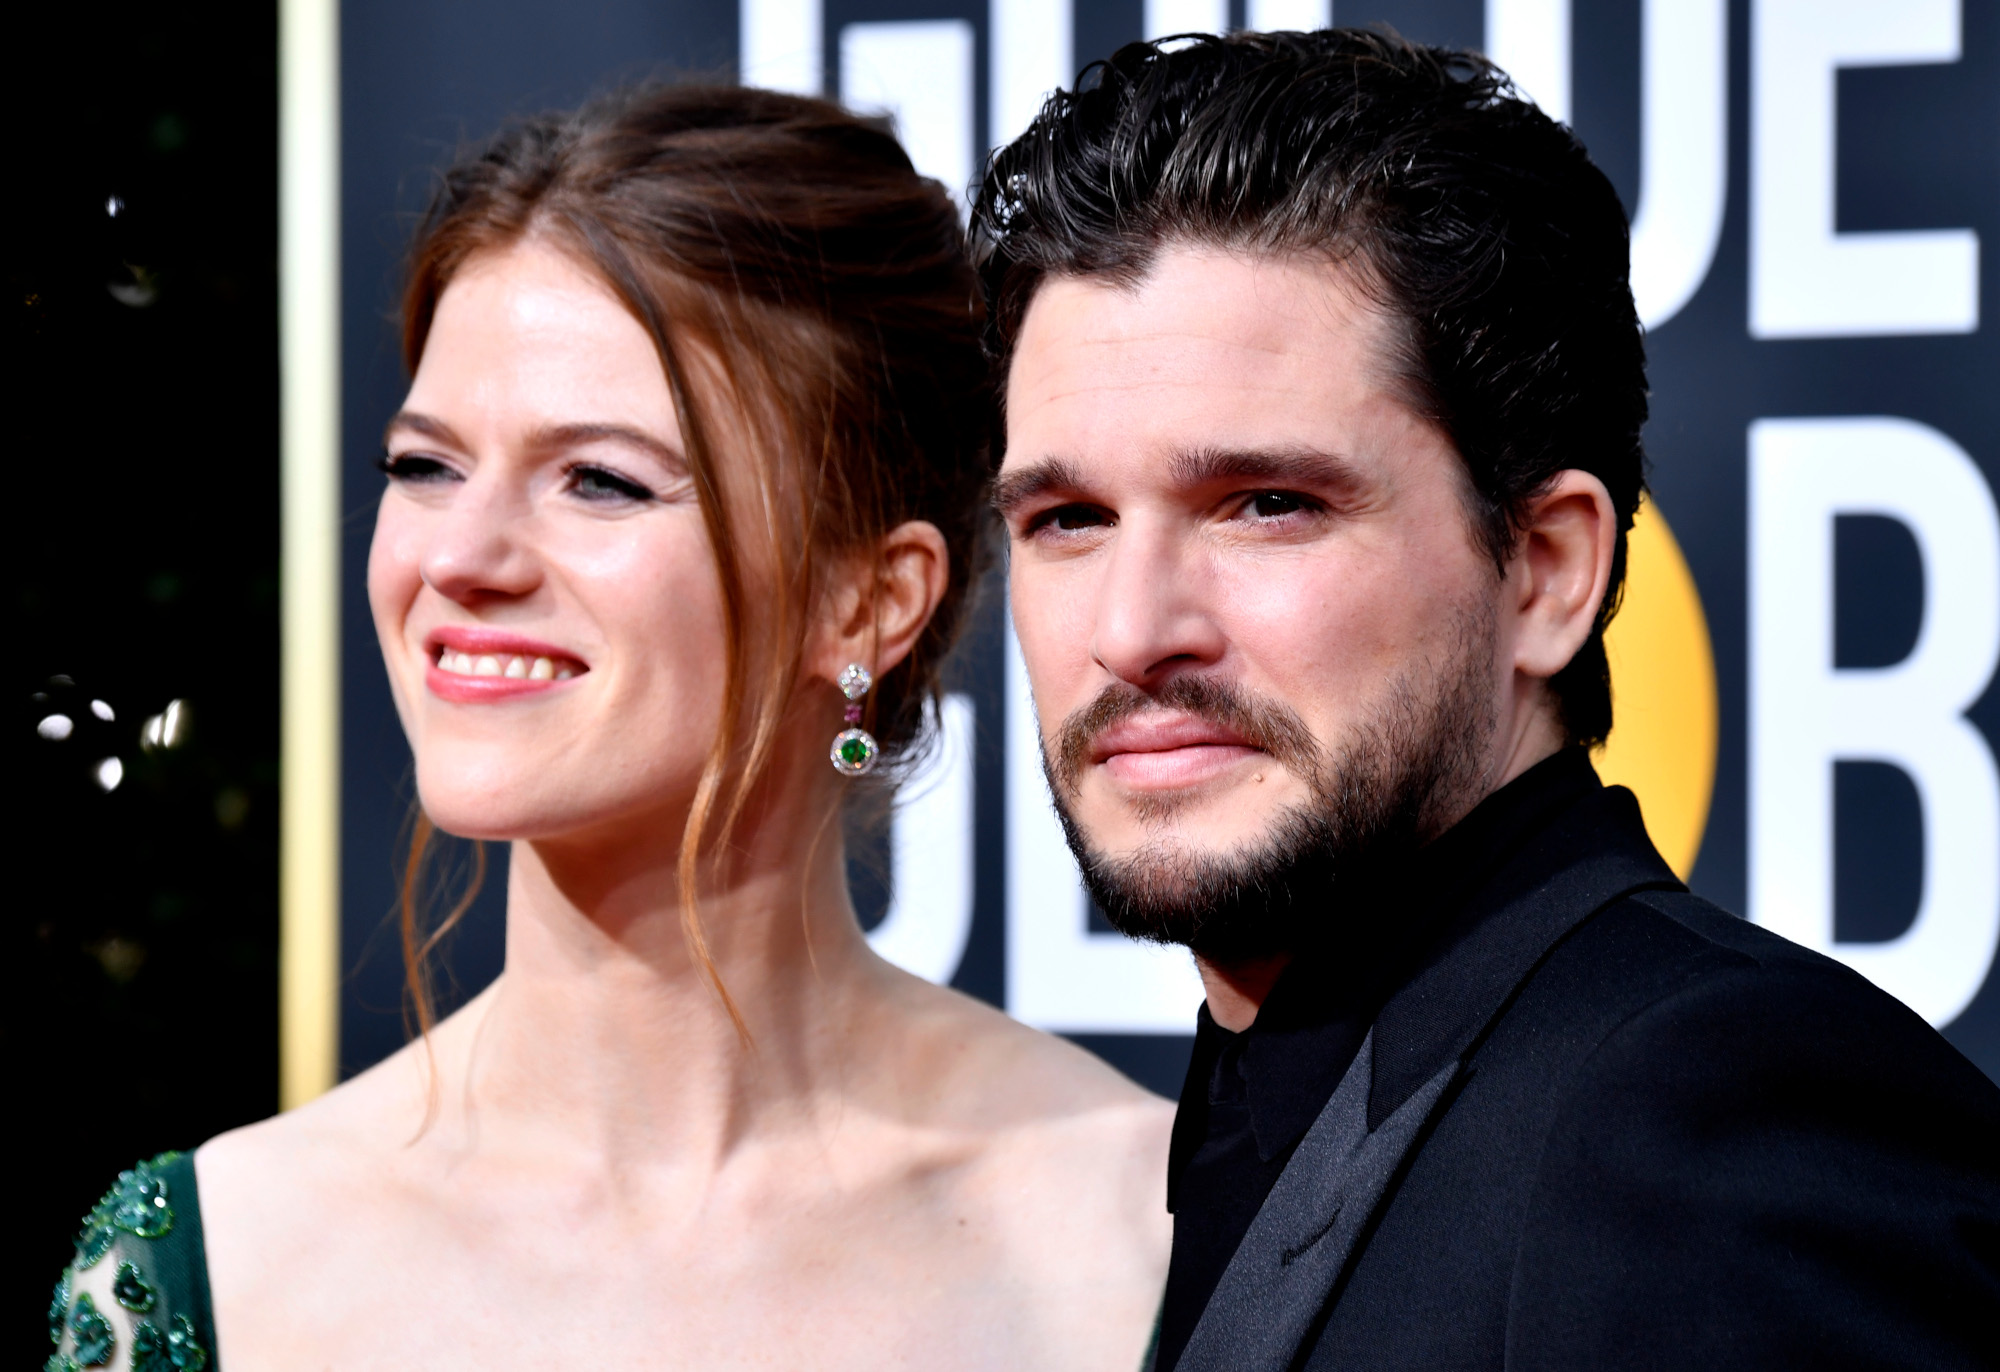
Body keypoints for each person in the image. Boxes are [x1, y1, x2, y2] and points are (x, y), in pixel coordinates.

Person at [47, 85, 1172, 1371]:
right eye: (425, 465)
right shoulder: (220, 1263)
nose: (459, 556)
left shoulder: (1146, 1237)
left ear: (865, 600)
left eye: (599, 479)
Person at [974, 28, 2000, 1372]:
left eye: (1267, 505)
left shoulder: (1710, 1123)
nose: (1131, 631)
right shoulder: (1274, 1102)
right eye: (1067, 519)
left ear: (1549, 571)